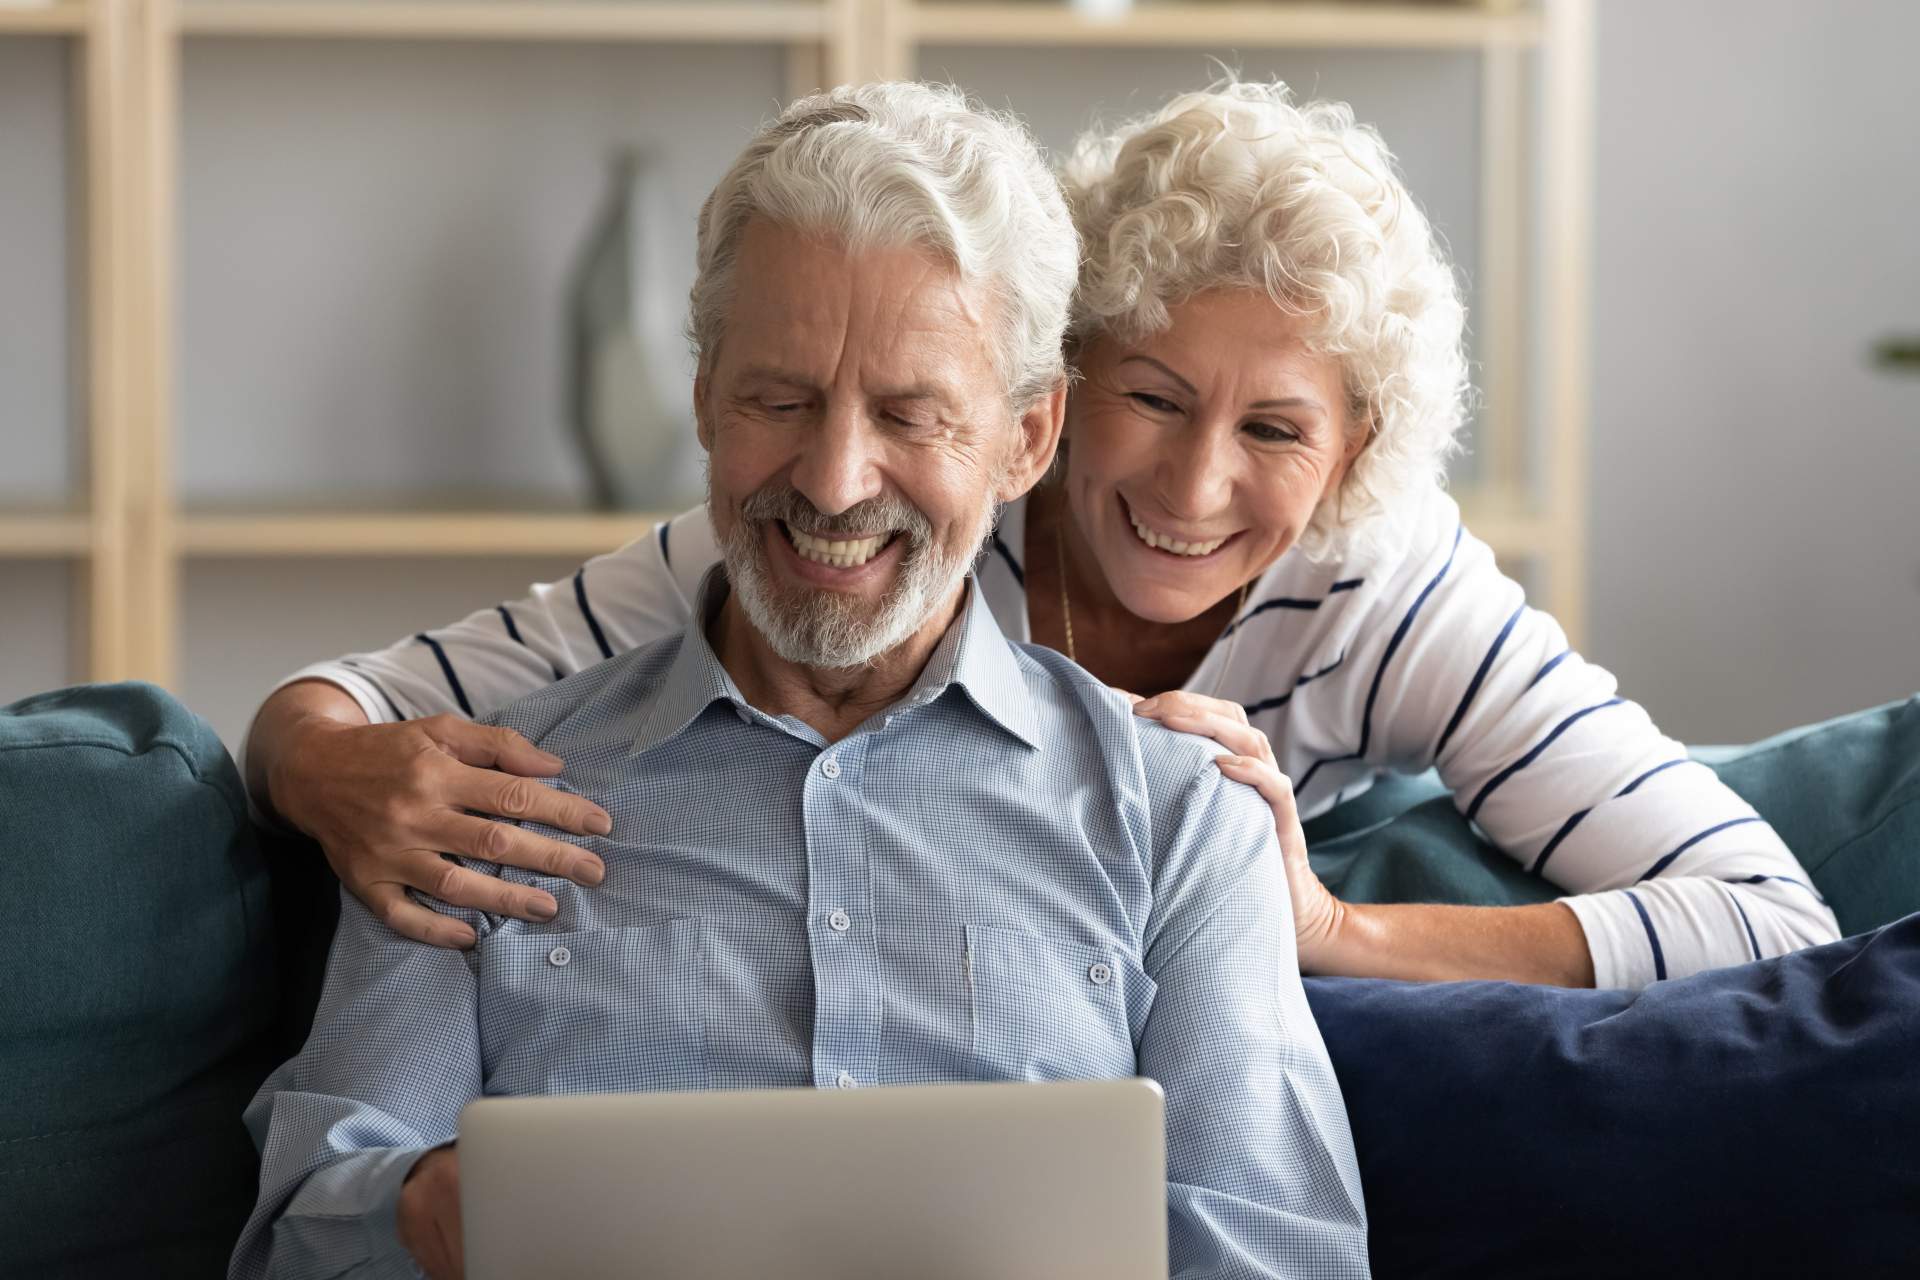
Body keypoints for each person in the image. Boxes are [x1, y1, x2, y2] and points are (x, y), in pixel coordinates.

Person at [246, 80, 1839, 992]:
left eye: (1275, 429)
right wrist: (327, 769)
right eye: (1152, 397)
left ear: (1353, 450)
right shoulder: (861, 533)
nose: (1195, 486)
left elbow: (1764, 918)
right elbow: (341, 700)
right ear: (1045, 404)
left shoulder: (1385, 579)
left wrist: (1332, 932)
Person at [230, 82, 1368, 1280]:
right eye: (780, 399)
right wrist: (409, 1209)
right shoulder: (474, 804)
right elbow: (298, 1238)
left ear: (1028, 439)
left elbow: (1276, 1250)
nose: (831, 482)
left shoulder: (1181, 819)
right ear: (707, 399)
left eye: (909, 413)